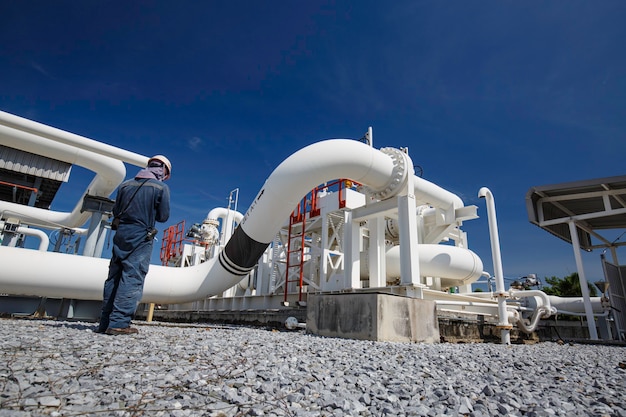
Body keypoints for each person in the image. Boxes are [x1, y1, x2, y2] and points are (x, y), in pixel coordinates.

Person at [96, 155, 172, 335]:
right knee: (132, 277)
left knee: (114, 277)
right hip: (141, 234)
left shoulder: (125, 185)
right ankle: (119, 323)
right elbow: (163, 217)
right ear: (164, 171)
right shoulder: (161, 187)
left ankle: (105, 323)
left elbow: (116, 211)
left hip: (121, 233)